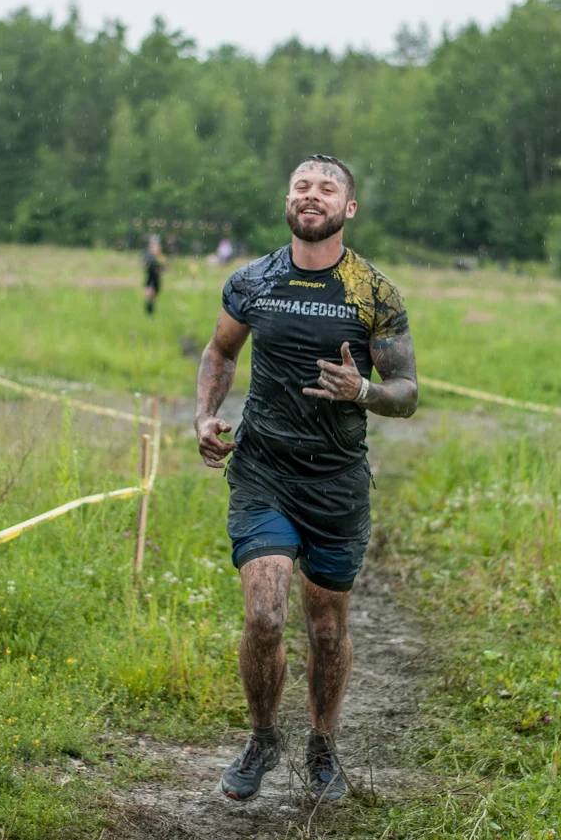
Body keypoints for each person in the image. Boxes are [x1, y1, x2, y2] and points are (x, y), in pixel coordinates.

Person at [194, 154, 418, 803]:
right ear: (288, 201)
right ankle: (263, 737)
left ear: (349, 208)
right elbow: (220, 351)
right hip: (264, 470)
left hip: (336, 483)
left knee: (325, 628)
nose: (311, 195)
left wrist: (362, 390)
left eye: (326, 188)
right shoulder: (253, 280)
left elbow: (406, 392)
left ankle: (322, 744)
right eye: (301, 186)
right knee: (265, 615)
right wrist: (205, 415)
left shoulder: (373, 292)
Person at [143, 237, 166, 315]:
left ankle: (151, 309)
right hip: (150, 278)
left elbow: (164, 268)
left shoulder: (160, 257)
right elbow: (144, 265)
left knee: (153, 297)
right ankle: (149, 309)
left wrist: (159, 268)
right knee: (149, 294)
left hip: (156, 279)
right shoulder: (148, 256)